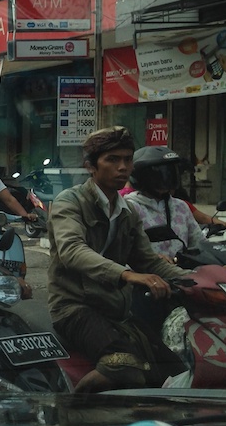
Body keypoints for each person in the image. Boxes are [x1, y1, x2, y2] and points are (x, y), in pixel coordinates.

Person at [47, 127, 186, 393]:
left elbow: (148, 262)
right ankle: (71, 411)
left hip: (117, 310)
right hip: (75, 309)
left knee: (174, 371)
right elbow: (72, 251)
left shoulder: (128, 212)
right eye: (112, 160)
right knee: (124, 366)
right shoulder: (70, 202)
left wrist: (200, 279)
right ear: (91, 166)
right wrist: (127, 275)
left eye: (127, 159)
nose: (122, 167)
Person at [123, 146, 207, 261]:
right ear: (141, 176)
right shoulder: (130, 208)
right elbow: (121, 252)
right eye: (161, 173)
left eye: (171, 172)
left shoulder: (181, 207)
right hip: (146, 275)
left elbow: (199, 243)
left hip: (182, 273)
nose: (168, 177)